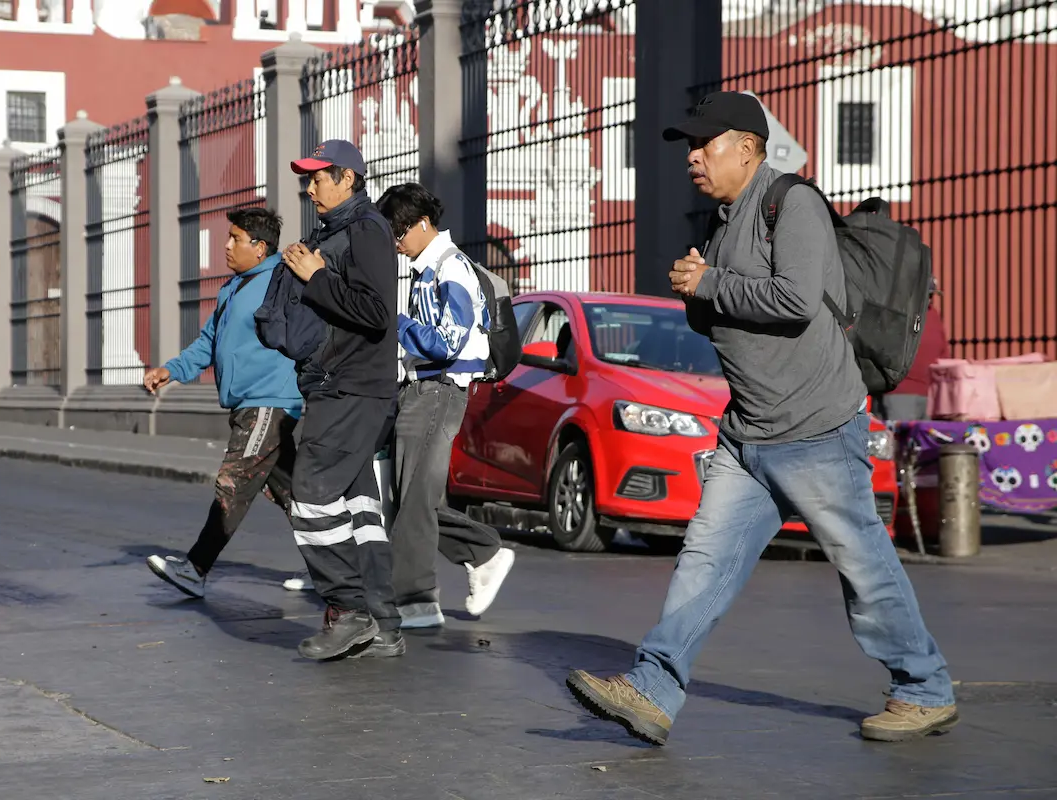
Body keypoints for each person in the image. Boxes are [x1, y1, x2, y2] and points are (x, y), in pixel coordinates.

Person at [565, 91, 957, 746]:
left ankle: (924, 688)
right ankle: (653, 689)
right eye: (689, 147)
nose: (693, 157)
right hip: (748, 434)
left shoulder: (791, 204)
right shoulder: (723, 224)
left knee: (861, 564)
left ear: (747, 148)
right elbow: (727, 318)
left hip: (815, 430)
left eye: (705, 145)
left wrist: (710, 282)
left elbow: (798, 300)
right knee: (703, 560)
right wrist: (696, 290)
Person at [277, 139, 402, 660]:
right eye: (307, 178)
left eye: (319, 177)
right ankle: (384, 625)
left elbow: (376, 313)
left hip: (350, 387)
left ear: (348, 178)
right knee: (359, 508)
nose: (310, 188)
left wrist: (317, 277)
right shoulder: (340, 230)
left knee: (308, 495)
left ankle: (348, 612)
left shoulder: (366, 230)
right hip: (342, 386)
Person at [375, 182, 516, 629]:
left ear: (422, 224)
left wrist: (395, 324)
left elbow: (448, 342)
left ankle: (417, 601)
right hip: (423, 390)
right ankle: (484, 554)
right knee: (409, 497)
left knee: (414, 499)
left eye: (398, 234)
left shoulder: (449, 269)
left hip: (439, 390)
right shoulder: (430, 267)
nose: (396, 246)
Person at [143, 207, 301, 598]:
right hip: (246, 403)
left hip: (270, 401)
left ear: (260, 248)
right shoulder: (234, 288)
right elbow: (209, 343)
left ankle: (195, 568)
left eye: (235, 239)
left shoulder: (282, 281)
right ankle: (338, 568)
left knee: (234, 481)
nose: (226, 246)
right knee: (299, 496)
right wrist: (172, 370)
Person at [873, 278, 950, 422]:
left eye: (931, 295)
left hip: (929, 395)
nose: (928, 300)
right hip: (899, 393)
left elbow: (944, 355)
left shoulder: (933, 315)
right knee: (897, 442)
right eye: (924, 295)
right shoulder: (896, 313)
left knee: (925, 443)